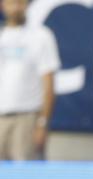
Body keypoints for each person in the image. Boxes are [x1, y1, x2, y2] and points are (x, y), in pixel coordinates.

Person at [0, 0, 60, 160]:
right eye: (11, 3)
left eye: (20, 3)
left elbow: (49, 85)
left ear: (27, 4)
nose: (15, 8)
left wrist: (42, 124)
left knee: (25, 177)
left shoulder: (40, 36)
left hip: (27, 119)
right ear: (3, 5)